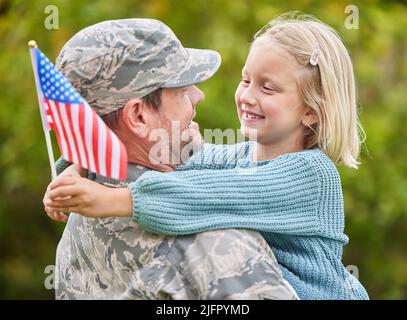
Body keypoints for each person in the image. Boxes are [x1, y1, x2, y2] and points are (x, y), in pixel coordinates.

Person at [46, 13, 370, 299]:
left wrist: (115, 200)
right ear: (138, 116)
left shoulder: (312, 175)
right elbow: (186, 157)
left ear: (311, 112)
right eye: (246, 80)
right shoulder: (238, 159)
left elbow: (214, 194)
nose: (247, 96)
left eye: (267, 88)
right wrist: (75, 169)